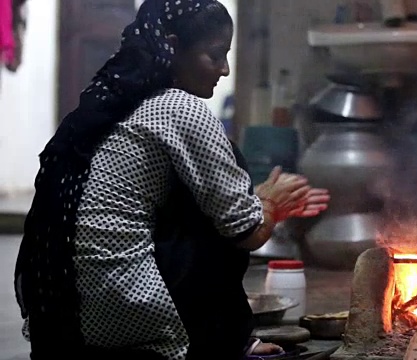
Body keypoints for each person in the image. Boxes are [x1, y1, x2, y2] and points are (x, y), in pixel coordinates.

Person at [13, 1, 329, 359]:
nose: (225, 69)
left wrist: (255, 201)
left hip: (60, 318)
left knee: (206, 206)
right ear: (174, 46)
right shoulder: (179, 107)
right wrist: (270, 204)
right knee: (219, 230)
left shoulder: (115, 101)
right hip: (124, 312)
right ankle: (220, 343)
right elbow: (247, 232)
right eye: (214, 56)